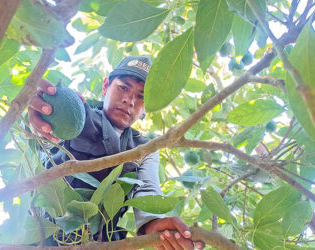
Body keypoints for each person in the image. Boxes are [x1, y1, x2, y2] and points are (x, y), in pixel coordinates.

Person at [29, 56, 205, 250]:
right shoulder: (79, 114)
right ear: (106, 86)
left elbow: (146, 189)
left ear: (146, 109)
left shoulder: (145, 149)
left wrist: (154, 224)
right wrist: (41, 111)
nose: (129, 100)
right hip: (41, 238)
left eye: (141, 97)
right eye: (123, 87)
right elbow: (42, 135)